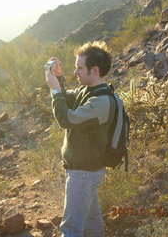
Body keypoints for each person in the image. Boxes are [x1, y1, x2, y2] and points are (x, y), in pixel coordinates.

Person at [44, 41, 113, 237]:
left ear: (95, 70)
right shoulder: (89, 91)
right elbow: (67, 99)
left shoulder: (100, 102)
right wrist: (58, 79)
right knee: (92, 223)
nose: (76, 72)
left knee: (71, 228)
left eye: (80, 68)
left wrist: (55, 89)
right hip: (86, 170)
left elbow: (66, 119)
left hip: (84, 173)